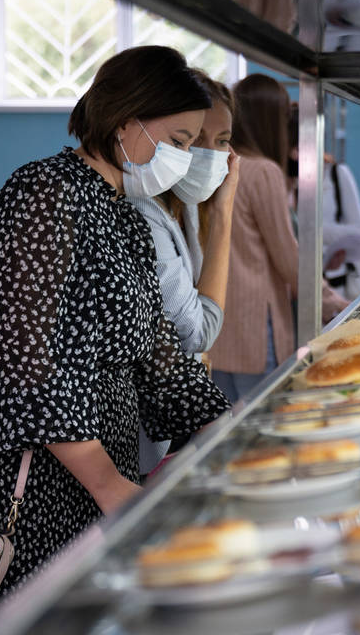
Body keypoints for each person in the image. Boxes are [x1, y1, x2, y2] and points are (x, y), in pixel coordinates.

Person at [0, 46, 230, 635]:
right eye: (181, 140)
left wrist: (227, 426)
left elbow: (156, 350)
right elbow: (27, 364)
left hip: (96, 476)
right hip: (25, 485)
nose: (187, 159)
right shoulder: (44, 195)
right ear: (126, 121)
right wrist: (110, 485)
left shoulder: (123, 214)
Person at [208, 74, 349, 403]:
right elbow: (289, 258)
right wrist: (335, 304)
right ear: (274, 120)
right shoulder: (262, 171)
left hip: (215, 329)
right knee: (265, 427)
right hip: (256, 329)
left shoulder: (218, 165)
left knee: (224, 433)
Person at [127, 73, 238, 474]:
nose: (209, 153)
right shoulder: (143, 211)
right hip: (142, 423)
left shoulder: (186, 204)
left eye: (222, 141)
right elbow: (198, 330)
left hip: (177, 410)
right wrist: (224, 214)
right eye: (191, 140)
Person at [287, 103, 360, 301]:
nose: (298, 153)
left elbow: (358, 231)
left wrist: (317, 235)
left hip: (335, 283)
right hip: (294, 287)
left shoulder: (337, 175)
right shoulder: (283, 179)